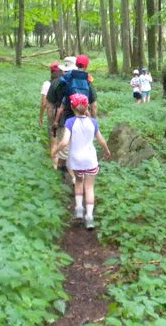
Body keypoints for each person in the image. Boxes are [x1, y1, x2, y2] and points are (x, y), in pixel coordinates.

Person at [52, 93, 111, 229]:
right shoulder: (93, 122)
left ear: (72, 107)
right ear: (87, 107)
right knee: (89, 188)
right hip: (90, 160)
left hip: (76, 161)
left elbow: (65, 142)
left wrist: (55, 151)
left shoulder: (70, 122)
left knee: (79, 183)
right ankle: (89, 217)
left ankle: (79, 210)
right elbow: (101, 140)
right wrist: (107, 150)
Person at [53, 54, 98, 130]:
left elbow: (61, 105)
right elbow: (94, 106)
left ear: (76, 64)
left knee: (61, 107)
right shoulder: (88, 80)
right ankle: (92, 125)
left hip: (68, 118)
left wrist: (56, 122)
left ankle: (56, 122)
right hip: (84, 117)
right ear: (86, 66)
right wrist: (94, 122)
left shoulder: (69, 77)